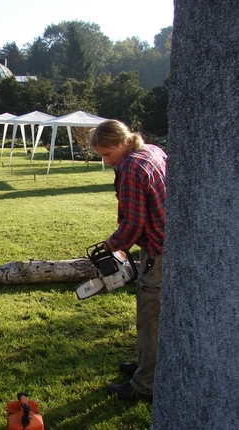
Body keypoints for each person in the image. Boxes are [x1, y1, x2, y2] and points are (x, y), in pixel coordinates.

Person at [90, 120, 166, 402]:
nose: (107, 161)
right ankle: (144, 363)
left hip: (157, 249)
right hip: (164, 243)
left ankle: (145, 384)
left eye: (107, 154)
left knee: (149, 316)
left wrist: (112, 245)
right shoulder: (153, 151)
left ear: (122, 142)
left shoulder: (131, 168)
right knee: (150, 310)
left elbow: (134, 222)